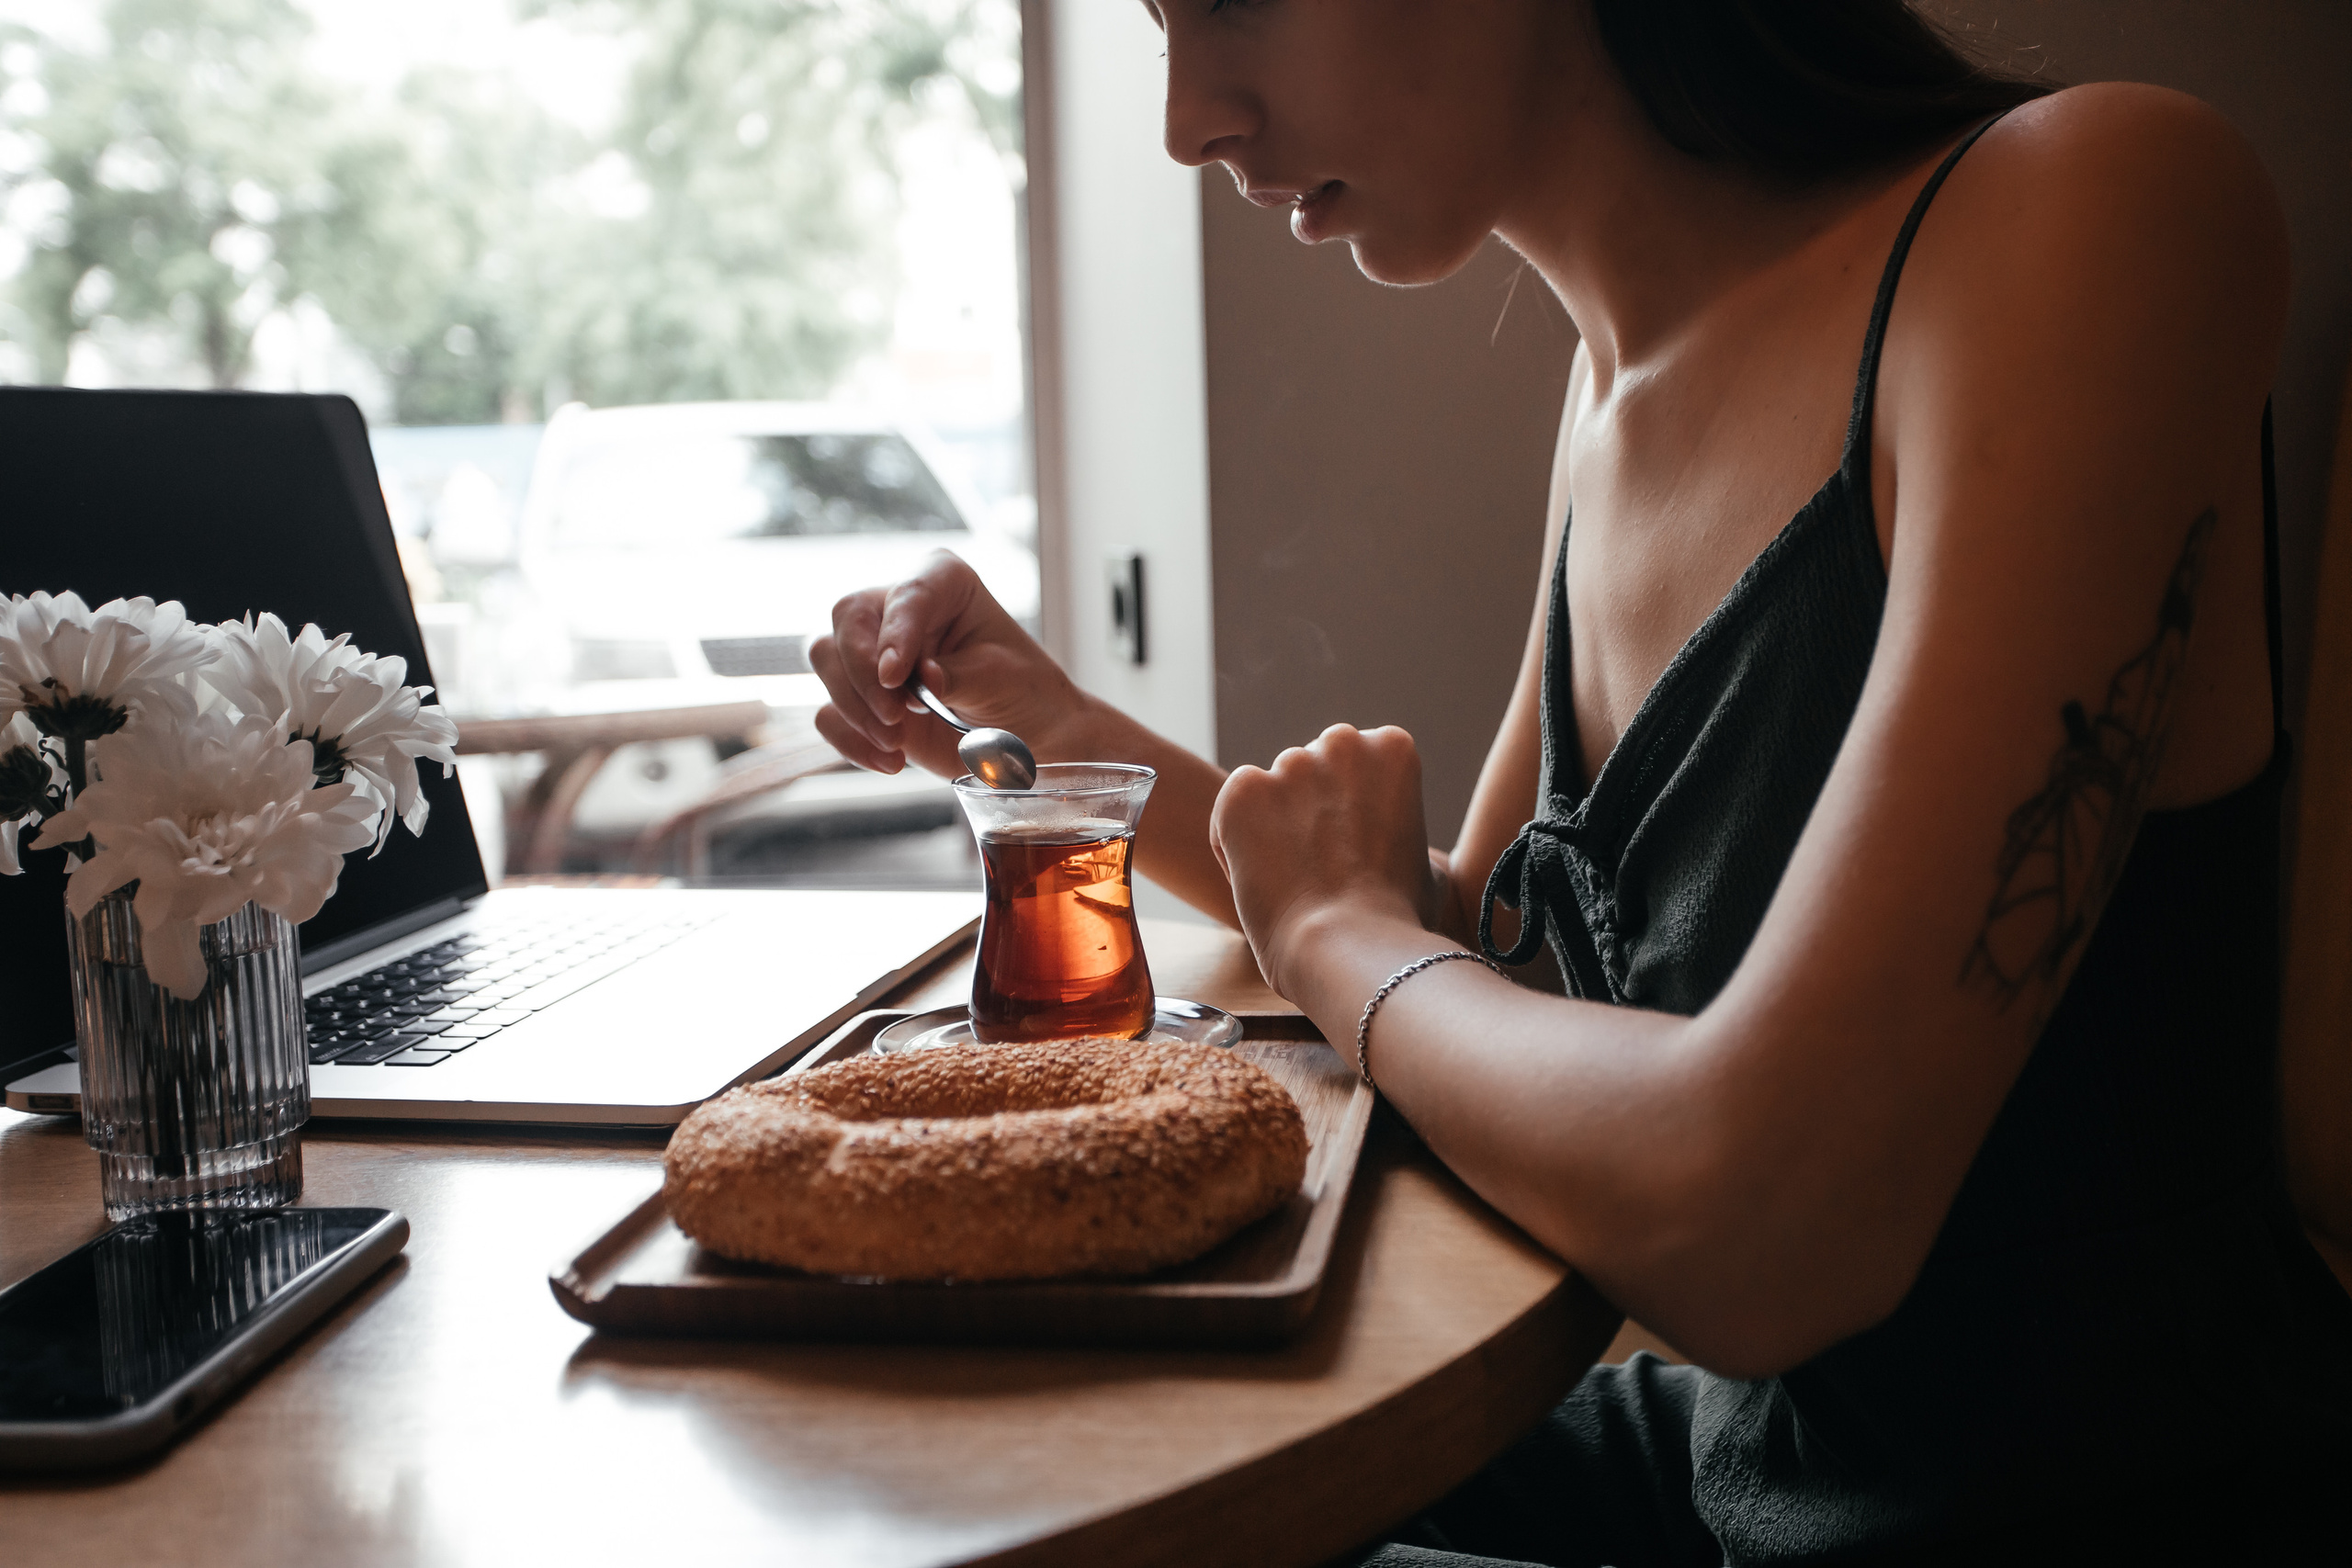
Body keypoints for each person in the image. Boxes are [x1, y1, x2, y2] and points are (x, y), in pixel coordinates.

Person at [811, 1, 2352, 1560]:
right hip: (1756, 1462)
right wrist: (1061, 734)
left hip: (2069, 1515)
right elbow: (1498, 966)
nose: (1188, 120)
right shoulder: (1610, 387)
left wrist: (1347, 939)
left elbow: (1768, 1231)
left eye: (1234, 1)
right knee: (1022, 1471)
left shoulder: (2099, 206)